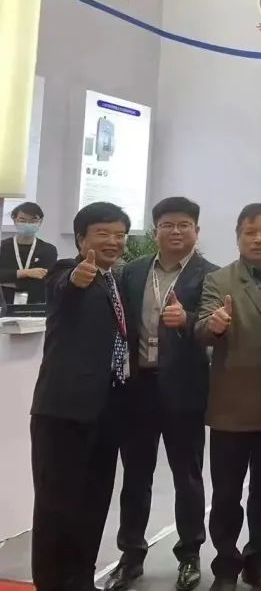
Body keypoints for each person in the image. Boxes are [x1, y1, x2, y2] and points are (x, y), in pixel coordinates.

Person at [104, 197, 218, 591]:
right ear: (156, 231)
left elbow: (215, 327)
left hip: (185, 389)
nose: (175, 231)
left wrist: (188, 320)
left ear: (196, 231)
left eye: (184, 224)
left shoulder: (211, 275)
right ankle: (130, 556)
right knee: (136, 476)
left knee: (188, 477)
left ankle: (189, 555)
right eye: (167, 224)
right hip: (138, 388)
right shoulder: (132, 272)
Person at [30, 201, 132, 591]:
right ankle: (52, 583)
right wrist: (76, 277)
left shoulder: (115, 280)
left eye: (120, 235)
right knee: (57, 507)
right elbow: (63, 287)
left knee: (94, 502)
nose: (113, 241)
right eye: (103, 233)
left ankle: (82, 580)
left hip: (108, 410)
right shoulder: (65, 271)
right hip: (63, 412)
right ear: (80, 239)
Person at [197, 204, 261, 591]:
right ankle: (225, 565)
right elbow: (201, 328)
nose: (259, 239)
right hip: (231, 405)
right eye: (251, 232)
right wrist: (214, 324)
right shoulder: (219, 279)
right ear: (238, 236)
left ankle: (258, 559)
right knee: (226, 494)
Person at [0, 201, 58, 306]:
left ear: (40, 221)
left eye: (33, 221)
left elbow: (46, 279)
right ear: (14, 220)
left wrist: (10, 279)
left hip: (36, 304)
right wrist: (25, 273)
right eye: (22, 220)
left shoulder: (49, 250)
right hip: (4, 303)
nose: (27, 224)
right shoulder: (2, 247)